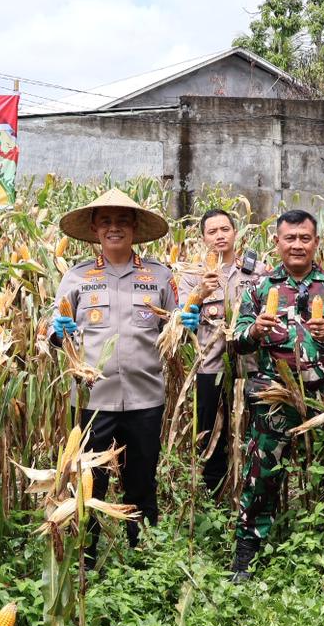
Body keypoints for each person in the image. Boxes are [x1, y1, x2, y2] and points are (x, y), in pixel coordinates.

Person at [228, 211, 324, 582]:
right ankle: (248, 552)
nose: (297, 245)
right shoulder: (259, 287)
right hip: (273, 394)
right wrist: (255, 330)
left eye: (305, 238)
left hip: (322, 397)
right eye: (290, 238)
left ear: (316, 242)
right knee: (262, 475)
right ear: (278, 242)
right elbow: (237, 341)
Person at [51, 188, 176, 555]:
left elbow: (178, 330)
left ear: (135, 228)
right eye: (106, 221)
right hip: (93, 401)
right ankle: (85, 558)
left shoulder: (159, 276)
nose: (114, 228)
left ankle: (144, 557)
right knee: (91, 483)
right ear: (94, 228)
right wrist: (57, 334)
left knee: (142, 482)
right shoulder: (76, 278)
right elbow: (51, 331)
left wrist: (188, 323)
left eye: (122, 220)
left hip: (145, 398)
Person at [177, 208, 265, 497]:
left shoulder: (257, 271)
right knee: (213, 441)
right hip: (211, 370)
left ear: (235, 232)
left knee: (253, 437)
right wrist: (197, 298)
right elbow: (178, 322)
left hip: (250, 369)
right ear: (203, 238)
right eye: (212, 231)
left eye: (224, 229)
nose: (219, 236)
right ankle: (214, 501)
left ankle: (249, 500)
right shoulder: (192, 276)